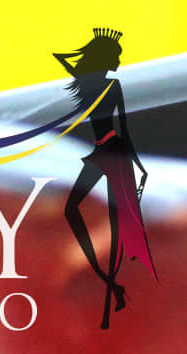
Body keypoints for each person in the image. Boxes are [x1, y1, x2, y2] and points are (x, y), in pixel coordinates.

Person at [54, 29, 156, 327]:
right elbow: (62, 57)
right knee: (74, 210)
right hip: (103, 152)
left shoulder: (108, 85)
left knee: (116, 226)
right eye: (115, 54)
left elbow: (122, 128)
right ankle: (110, 287)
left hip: (113, 152)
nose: (120, 59)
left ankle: (116, 300)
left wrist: (138, 166)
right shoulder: (89, 83)